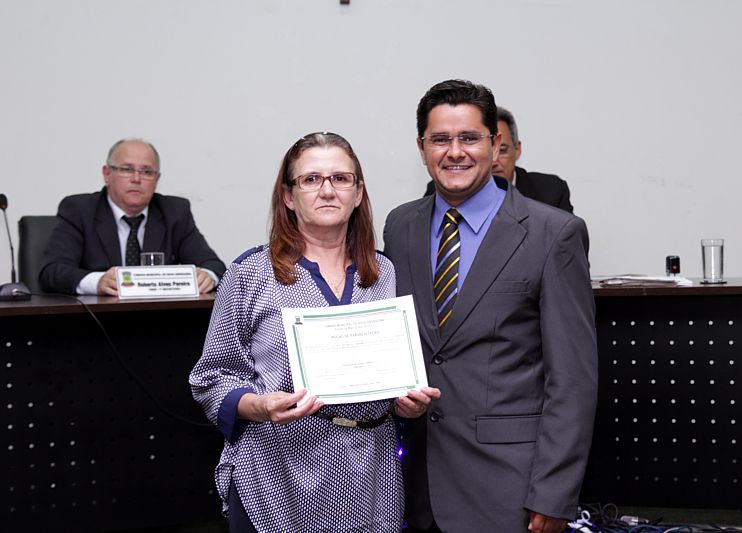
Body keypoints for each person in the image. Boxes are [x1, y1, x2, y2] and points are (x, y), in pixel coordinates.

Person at [189, 132, 440, 532]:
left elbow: (391, 373)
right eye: (311, 179)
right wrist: (259, 406)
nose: (327, 190)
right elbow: (211, 377)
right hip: (276, 475)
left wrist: (406, 404)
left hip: (371, 477)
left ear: (358, 193)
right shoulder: (251, 273)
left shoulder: (386, 272)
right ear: (288, 196)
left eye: (341, 178)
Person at [383, 80, 598, 533]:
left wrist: (554, 493)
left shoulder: (552, 234)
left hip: (510, 487)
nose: (454, 152)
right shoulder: (400, 225)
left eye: (469, 138)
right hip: (414, 480)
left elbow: (572, 380)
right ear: (421, 148)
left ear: (497, 145)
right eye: (440, 139)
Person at [39, 138, 225, 295]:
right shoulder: (80, 210)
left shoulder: (174, 211)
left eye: (146, 172)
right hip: (96, 326)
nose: (136, 179)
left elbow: (214, 265)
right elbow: (52, 272)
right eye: (127, 169)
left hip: (162, 324)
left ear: (157, 179)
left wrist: (207, 276)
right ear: (107, 174)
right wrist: (98, 282)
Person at [424, 106, 573, 213]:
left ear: (517, 150)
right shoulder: (441, 188)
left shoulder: (550, 191)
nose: (493, 162)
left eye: (501, 150)